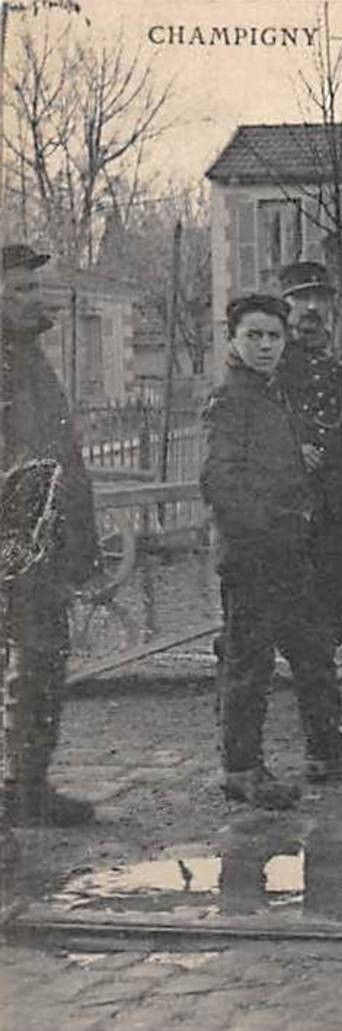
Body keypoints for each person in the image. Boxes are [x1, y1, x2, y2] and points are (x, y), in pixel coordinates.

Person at [200, 294, 342, 809]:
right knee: (249, 663)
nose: (265, 345)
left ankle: (328, 752)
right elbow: (221, 483)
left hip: (288, 552)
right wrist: (263, 535)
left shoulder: (271, 394)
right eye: (254, 336)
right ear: (233, 340)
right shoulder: (232, 401)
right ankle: (241, 769)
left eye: (273, 336)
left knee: (311, 652)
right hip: (253, 557)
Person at [0, 243, 98, 826]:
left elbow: (62, 457)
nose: (36, 300)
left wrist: (79, 537)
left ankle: (27, 788)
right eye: (19, 292)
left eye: (35, 289)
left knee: (41, 664)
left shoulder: (33, 360)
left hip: (43, 546)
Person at [271, 261, 342, 652]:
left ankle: (321, 699)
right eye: (301, 298)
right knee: (283, 605)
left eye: (319, 298)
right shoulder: (269, 367)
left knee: (329, 605)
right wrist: (290, 449)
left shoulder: (338, 373)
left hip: (335, 509)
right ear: (285, 305)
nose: (311, 307)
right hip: (288, 508)